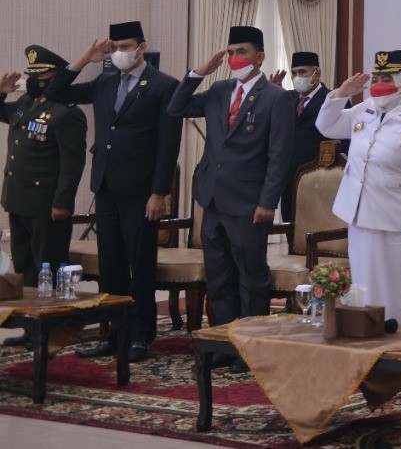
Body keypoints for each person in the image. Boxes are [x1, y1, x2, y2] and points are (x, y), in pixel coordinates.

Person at [44, 22, 181, 362]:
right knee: (112, 264)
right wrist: (84, 59)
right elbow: (56, 92)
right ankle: (114, 333)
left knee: (140, 264)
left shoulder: (164, 85)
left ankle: (141, 335)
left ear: (142, 46)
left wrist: (159, 192)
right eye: (114, 47)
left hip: (141, 190)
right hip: (106, 185)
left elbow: (168, 145)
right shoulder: (104, 82)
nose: (120, 52)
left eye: (126, 46)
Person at [167, 26, 294, 371]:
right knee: (219, 277)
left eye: (242, 52)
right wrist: (198, 73)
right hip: (213, 198)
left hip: (250, 202)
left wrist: (268, 202)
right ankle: (224, 344)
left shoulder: (276, 98)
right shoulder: (219, 90)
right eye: (231, 52)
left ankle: (251, 347)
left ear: (260, 57)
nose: (235, 58)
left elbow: (279, 156)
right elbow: (176, 108)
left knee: (250, 277)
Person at [316, 50, 401, 327]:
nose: (379, 85)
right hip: (361, 216)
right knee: (364, 289)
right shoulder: (363, 110)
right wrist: (341, 94)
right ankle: (368, 341)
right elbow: (325, 126)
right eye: (375, 79)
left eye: (387, 79)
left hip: (400, 222)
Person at [0, 47, 88, 323]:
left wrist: (63, 202)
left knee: (47, 270)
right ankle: (30, 328)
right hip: (18, 200)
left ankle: (52, 329)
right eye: (31, 75)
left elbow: (73, 163)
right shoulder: (26, 102)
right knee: (24, 267)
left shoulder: (66, 112)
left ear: (56, 77)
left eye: (40, 75)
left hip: (46, 205)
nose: (33, 80)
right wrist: (0, 92)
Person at [279, 51, 332, 222]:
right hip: (289, 180)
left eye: (302, 72)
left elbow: (343, 146)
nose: (297, 77)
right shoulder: (288, 98)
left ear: (317, 74)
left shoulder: (332, 100)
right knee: (291, 229)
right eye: (294, 73)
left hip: (320, 180)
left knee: (317, 231)